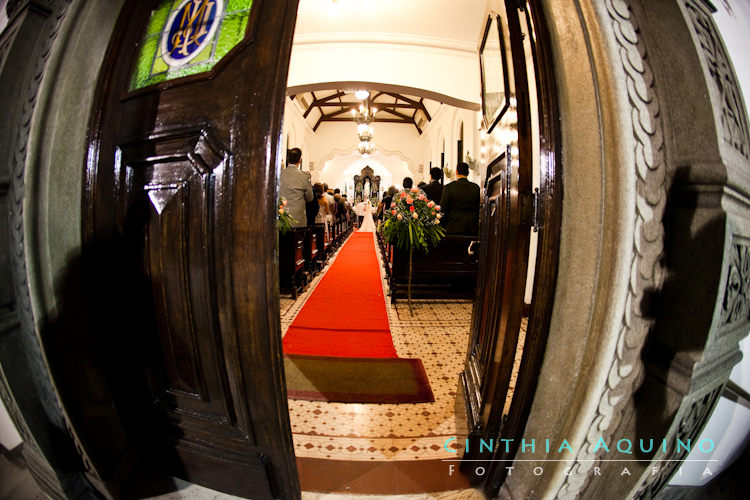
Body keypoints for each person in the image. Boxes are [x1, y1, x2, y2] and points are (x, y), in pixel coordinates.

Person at [439, 161, 480, 235]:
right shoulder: (476, 187)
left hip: (453, 226)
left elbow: (443, 207)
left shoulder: (449, 187)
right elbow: (478, 207)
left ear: (456, 172)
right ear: (468, 173)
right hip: (471, 227)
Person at [279, 148, 313, 228]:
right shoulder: (304, 176)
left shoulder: (279, 174)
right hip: (297, 220)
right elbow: (309, 198)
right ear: (300, 160)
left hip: (280, 218)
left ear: (288, 159)